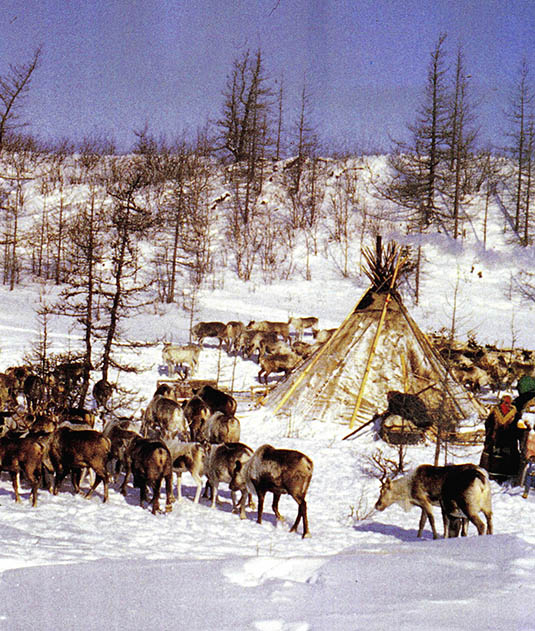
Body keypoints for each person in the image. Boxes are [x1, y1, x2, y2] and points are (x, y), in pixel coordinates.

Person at [480, 394, 524, 483]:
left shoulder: (513, 413)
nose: (506, 404)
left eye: (508, 402)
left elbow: (488, 424)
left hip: (504, 438)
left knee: (503, 455)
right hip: (501, 438)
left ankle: (503, 475)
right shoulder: (498, 412)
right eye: (505, 402)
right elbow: (488, 424)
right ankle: (497, 475)